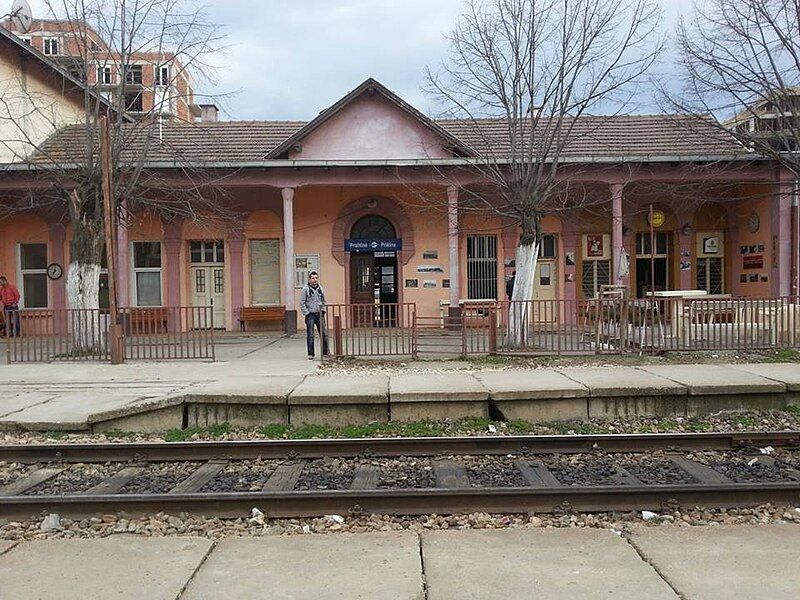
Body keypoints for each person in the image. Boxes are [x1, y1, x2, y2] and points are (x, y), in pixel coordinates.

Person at [300, 271, 329, 359]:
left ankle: (325, 352)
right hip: (310, 315)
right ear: (309, 279)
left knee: (324, 333)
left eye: (316, 278)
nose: (315, 280)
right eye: (313, 278)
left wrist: (323, 310)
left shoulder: (320, 288)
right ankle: (311, 354)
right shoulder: (305, 289)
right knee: (311, 334)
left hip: (319, 314)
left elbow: (324, 300)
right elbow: (302, 302)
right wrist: (307, 313)